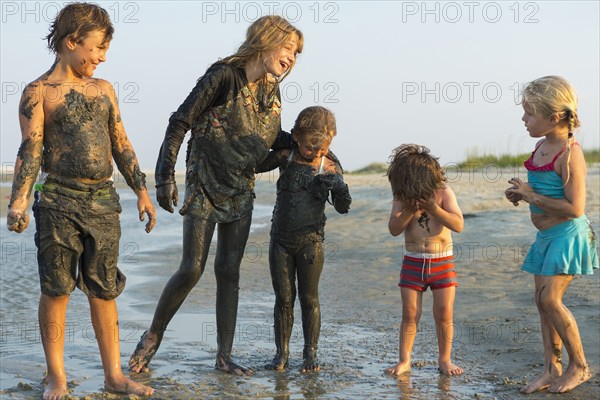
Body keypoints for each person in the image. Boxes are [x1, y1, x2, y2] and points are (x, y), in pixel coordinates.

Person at [129, 15, 303, 376]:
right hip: (205, 182)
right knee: (192, 268)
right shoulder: (223, 75)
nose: (292, 57)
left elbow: (266, 141)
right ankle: (152, 337)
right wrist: (164, 178)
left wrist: (304, 145)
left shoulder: (272, 88)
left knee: (229, 270)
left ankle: (224, 356)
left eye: (297, 53)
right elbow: (180, 121)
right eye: (288, 47)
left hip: (241, 186)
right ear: (265, 39)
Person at [5, 3, 156, 399]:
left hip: (103, 201)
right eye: (98, 48)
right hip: (57, 201)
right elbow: (31, 150)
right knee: (56, 289)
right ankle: (56, 374)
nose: (102, 57)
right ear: (72, 42)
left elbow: (121, 143)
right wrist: (19, 202)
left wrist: (141, 190)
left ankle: (114, 375)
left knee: (104, 289)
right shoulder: (39, 93)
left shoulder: (104, 89)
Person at [505, 76, 598, 394]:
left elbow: (574, 208)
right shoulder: (541, 147)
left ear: (554, 117)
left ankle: (581, 366)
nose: (524, 119)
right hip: (546, 237)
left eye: (529, 113)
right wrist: (521, 194)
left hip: (569, 235)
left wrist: (532, 196)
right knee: (540, 302)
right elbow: (540, 190)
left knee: (550, 298)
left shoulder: (571, 154)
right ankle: (551, 368)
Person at [255, 106, 351, 372]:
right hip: (280, 241)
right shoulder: (286, 156)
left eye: (322, 148)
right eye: (311, 147)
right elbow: (251, 166)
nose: (316, 153)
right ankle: (281, 354)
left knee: (309, 299)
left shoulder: (330, 166)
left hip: (310, 242)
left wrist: (340, 188)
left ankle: (310, 355)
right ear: (296, 135)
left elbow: (343, 207)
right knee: (283, 299)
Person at [384, 144, 464, 377]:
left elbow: (458, 224)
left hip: (442, 262)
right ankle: (405, 360)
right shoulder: (402, 197)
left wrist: (433, 208)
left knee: (444, 312)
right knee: (410, 313)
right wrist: (409, 210)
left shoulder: (443, 193)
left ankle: (445, 359)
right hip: (413, 262)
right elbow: (393, 229)